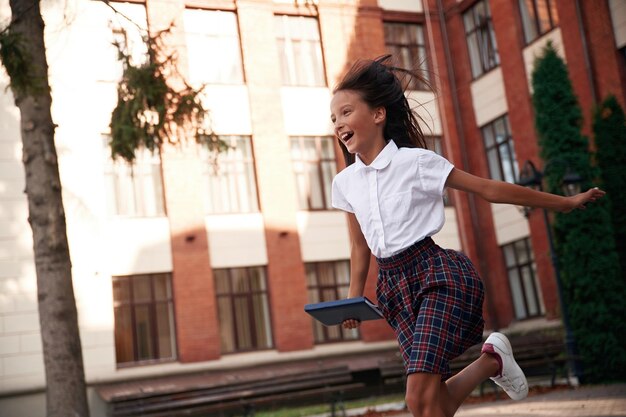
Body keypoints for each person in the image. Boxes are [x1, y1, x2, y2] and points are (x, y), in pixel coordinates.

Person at [329, 55, 605, 417]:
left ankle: (492, 360)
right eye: (334, 118)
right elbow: (359, 246)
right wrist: (352, 301)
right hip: (393, 290)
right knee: (426, 405)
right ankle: (492, 362)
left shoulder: (416, 163)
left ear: (378, 114)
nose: (339, 124)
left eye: (346, 113)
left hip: (435, 277)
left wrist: (564, 202)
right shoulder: (345, 183)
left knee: (418, 394)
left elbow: (487, 188)